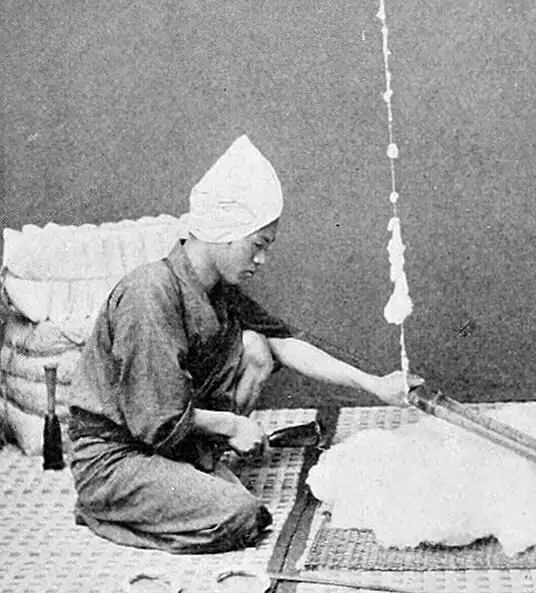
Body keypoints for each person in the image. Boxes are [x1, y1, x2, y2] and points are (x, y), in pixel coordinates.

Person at [68, 135, 423, 552]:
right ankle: (101, 507)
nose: (262, 260)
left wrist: (375, 385)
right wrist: (233, 425)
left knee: (256, 344)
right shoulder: (150, 294)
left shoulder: (216, 290)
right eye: (258, 245)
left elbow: (284, 343)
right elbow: (155, 419)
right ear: (225, 232)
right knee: (242, 516)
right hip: (117, 456)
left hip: (167, 446)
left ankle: (185, 475)